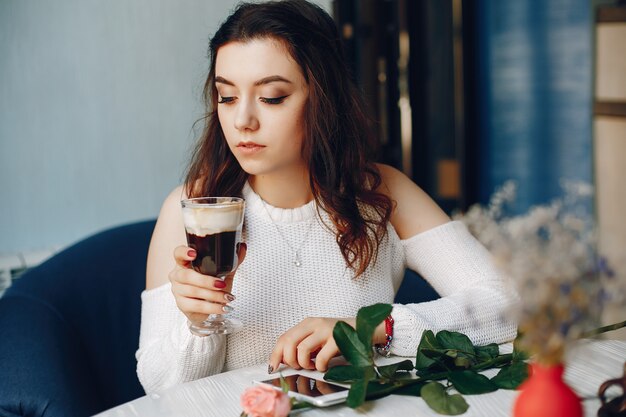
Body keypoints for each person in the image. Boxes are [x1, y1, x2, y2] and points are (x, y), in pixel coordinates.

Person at [136, 0, 517, 393]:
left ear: (323, 97)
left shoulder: (382, 193)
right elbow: (160, 390)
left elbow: (508, 305)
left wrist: (373, 327)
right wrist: (199, 323)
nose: (242, 120)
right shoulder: (195, 208)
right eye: (227, 97)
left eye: (271, 97)